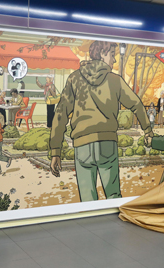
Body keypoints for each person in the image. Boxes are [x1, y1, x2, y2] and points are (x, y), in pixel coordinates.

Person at [49, 41, 153, 202]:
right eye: (112, 55)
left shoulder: (74, 79)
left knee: (87, 198)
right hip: (107, 143)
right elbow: (136, 104)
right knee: (113, 196)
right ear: (103, 54)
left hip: (82, 145)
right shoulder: (115, 80)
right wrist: (148, 130)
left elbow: (61, 114)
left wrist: (55, 150)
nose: (114, 60)